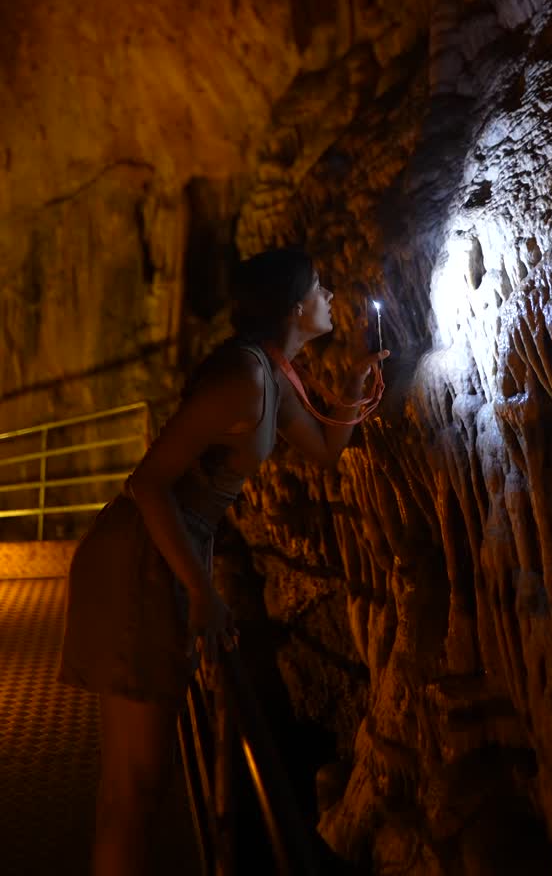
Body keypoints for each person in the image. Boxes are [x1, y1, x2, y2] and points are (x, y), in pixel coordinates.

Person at [59, 247, 388, 876]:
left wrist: (352, 385)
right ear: (295, 307)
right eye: (320, 288)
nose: (329, 297)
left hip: (166, 556)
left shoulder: (275, 371)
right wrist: (203, 595)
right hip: (139, 560)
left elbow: (323, 452)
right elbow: (148, 484)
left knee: (136, 790)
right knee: (134, 791)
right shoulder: (243, 378)